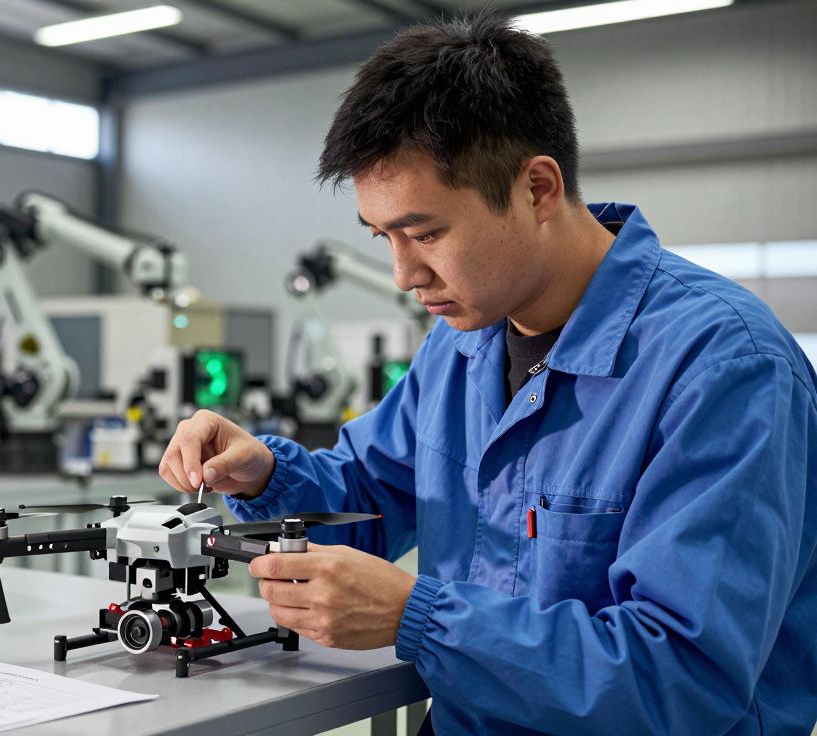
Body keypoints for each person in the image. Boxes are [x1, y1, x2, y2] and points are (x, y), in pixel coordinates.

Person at [157, 14, 817, 735]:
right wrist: (260, 475)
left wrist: (420, 617)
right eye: (385, 238)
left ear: (536, 188)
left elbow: (683, 678)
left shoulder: (722, 369)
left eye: (427, 232)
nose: (405, 274)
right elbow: (369, 498)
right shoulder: (461, 345)